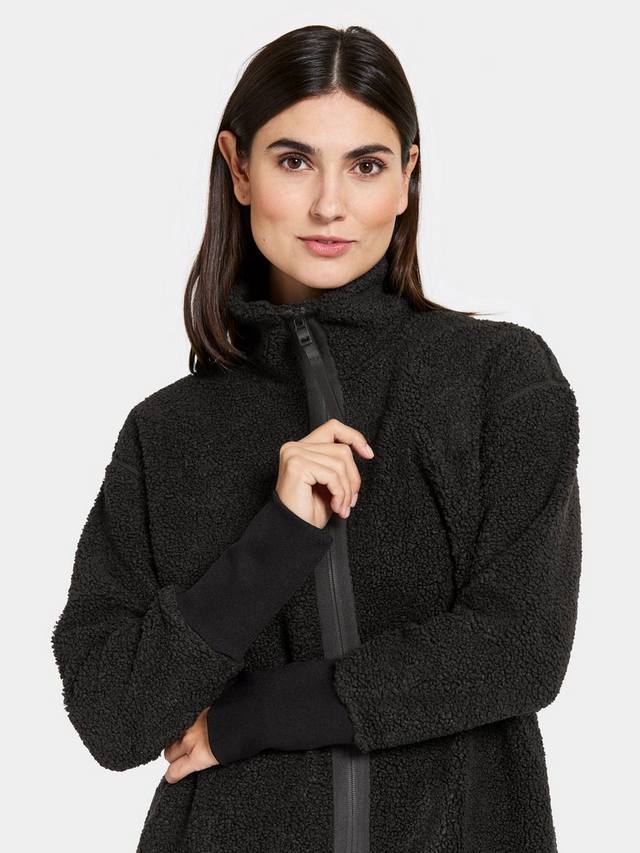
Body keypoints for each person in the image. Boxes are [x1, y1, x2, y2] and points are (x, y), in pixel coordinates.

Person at [51, 23, 582, 853]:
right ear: (238, 168)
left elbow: (519, 649)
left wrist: (252, 717)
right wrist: (277, 537)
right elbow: (112, 714)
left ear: (406, 177)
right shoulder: (167, 433)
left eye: (365, 166)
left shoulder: (500, 379)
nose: (330, 204)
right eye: (294, 161)